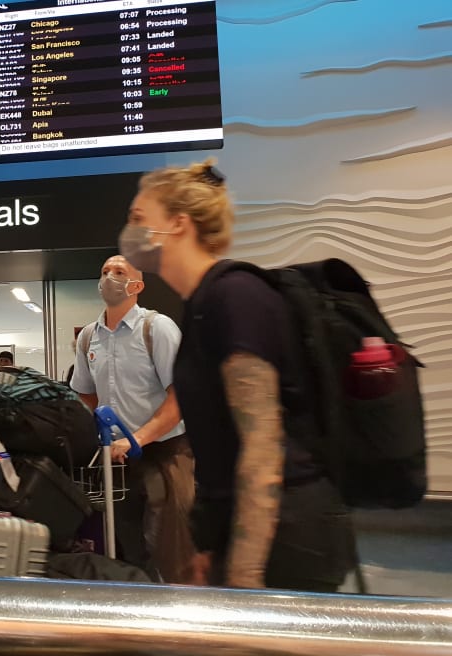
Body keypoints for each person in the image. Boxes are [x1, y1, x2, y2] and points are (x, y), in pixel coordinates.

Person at [118, 159, 356, 591]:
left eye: (138, 219)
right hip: (252, 529)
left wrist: (245, 577)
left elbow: (262, 451)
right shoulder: (203, 303)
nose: (129, 231)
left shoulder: (235, 296)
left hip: (289, 537)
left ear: (178, 224)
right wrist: (212, 548)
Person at [70, 255, 195, 583]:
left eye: (119, 272)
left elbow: (179, 397)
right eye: (105, 271)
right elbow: (85, 394)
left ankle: (177, 616)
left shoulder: (157, 328)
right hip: (118, 459)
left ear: (136, 285)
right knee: (127, 543)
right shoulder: (87, 338)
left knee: (168, 546)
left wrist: (137, 438)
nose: (109, 277)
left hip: (164, 453)